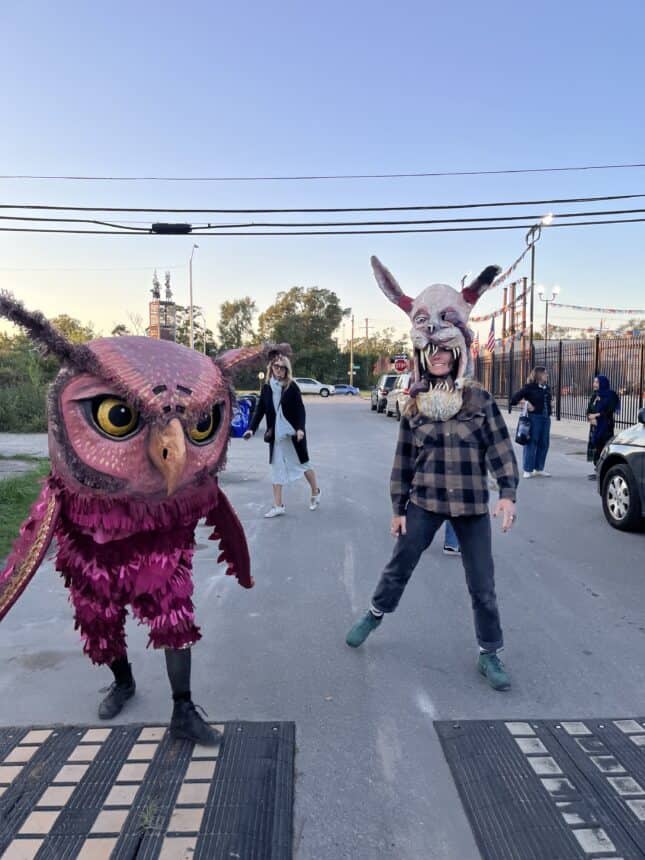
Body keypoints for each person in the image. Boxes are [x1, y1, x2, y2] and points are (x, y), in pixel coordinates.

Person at [346, 257, 519, 692]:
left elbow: (499, 446)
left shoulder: (478, 399)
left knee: (482, 583)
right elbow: (403, 460)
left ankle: (490, 653)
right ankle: (374, 614)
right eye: (432, 351)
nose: (438, 356)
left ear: (458, 349)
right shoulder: (415, 404)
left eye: (445, 350)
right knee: (399, 565)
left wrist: (507, 492)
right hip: (424, 502)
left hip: (469, 505)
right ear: (424, 354)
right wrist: (397, 508)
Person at [244, 354, 321, 517]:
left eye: (282, 367)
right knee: (276, 468)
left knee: (303, 465)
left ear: (287, 370)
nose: (278, 370)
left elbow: (300, 410)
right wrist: (251, 428)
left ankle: (315, 491)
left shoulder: (291, 387)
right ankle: (278, 505)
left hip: (293, 434)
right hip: (277, 436)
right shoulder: (266, 387)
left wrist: (300, 428)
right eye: (276, 367)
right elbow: (260, 411)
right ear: (271, 369)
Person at [510, 366, 553, 478]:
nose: (547, 375)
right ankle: (527, 469)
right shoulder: (529, 387)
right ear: (539, 375)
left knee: (544, 443)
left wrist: (550, 405)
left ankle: (539, 468)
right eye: (545, 373)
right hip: (534, 418)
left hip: (546, 419)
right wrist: (526, 403)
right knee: (531, 442)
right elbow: (513, 399)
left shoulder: (546, 388)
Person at [586, 375, 620, 478]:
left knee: (604, 448)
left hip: (606, 426)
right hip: (595, 426)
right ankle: (598, 470)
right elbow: (588, 410)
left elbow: (609, 411)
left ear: (602, 383)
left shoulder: (611, 395)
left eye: (596, 382)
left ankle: (604, 472)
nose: (594, 384)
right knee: (596, 448)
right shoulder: (594, 396)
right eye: (594, 382)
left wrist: (596, 416)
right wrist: (590, 418)